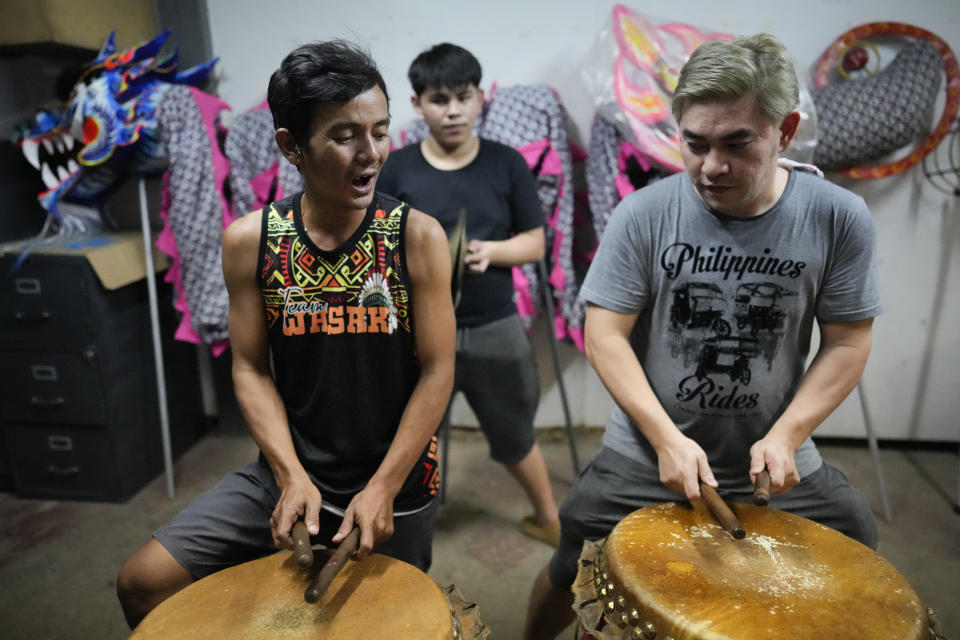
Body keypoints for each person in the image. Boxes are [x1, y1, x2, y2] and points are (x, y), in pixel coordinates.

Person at [523, 33, 883, 639]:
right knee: (571, 557)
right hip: (647, 452)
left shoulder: (836, 217)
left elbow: (848, 341)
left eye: (737, 144)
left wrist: (789, 434)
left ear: (785, 130)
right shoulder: (645, 213)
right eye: (695, 144)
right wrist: (665, 439)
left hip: (770, 461)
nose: (712, 166)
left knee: (857, 540)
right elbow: (605, 333)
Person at [116, 40, 455, 628]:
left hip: (396, 480)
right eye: (345, 135)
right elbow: (249, 368)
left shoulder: (415, 238)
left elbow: (438, 370)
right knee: (142, 582)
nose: (370, 154)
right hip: (290, 471)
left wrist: (382, 488)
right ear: (291, 146)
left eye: (380, 131)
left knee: (391, 623)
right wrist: (288, 474)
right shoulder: (253, 241)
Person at [377, 43, 561, 546]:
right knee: (411, 440)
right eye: (439, 99)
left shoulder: (507, 165)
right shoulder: (397, 169)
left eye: (463, 97)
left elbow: (537, 241)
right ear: (418, 106)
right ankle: (405, 535)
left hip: (494, 326)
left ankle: (549, 517)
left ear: (482, 98)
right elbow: (378, 241)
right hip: (416, 332)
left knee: (515, 435)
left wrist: (490, 253)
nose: (453, 110)